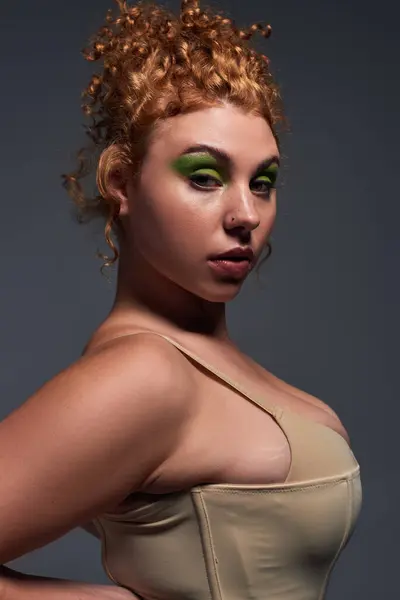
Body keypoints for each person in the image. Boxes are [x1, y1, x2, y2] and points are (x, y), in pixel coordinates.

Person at [0, 0, 362, 599]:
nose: (246, 214)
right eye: (204, 177)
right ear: (121, 182)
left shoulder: (201, 362)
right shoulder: (144, 375)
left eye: (263, 182)